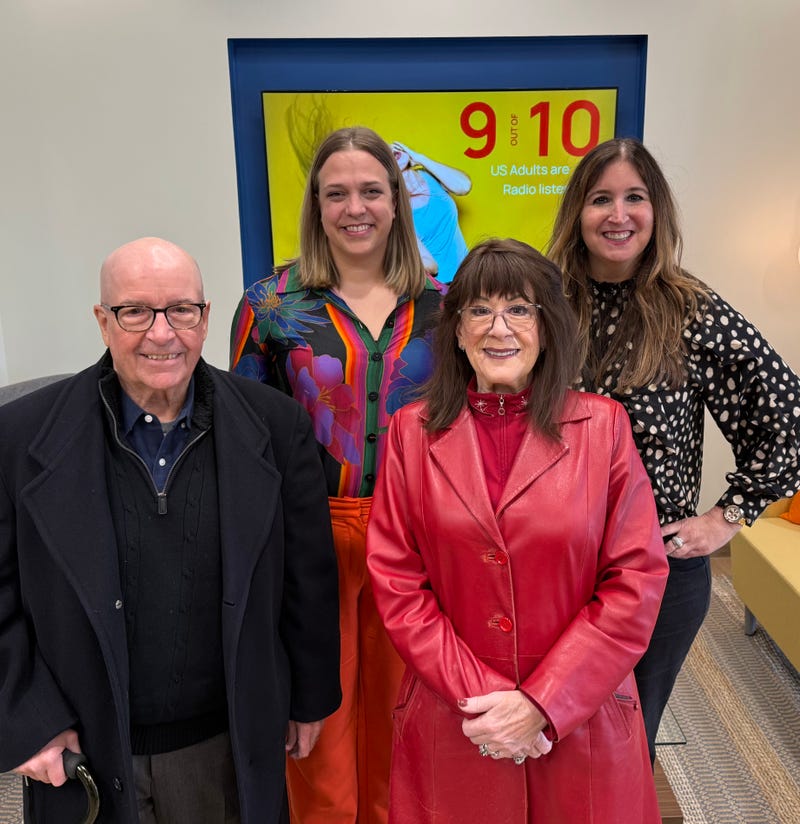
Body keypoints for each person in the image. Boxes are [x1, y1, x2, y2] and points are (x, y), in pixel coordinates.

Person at [0, 237, 341, 824]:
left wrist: (307, 698)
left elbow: (307, 580)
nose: (162, 334)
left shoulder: (276, 426)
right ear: (103, 322)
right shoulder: (19, 436)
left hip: (225, 748)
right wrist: (26, 719)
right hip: (82, 752)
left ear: (205, 319)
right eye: (135, 311)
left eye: (181, 310)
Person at [365, 238, 669, 823]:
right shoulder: (409, 433)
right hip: (459, 716)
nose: (498, 327)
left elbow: (635, 580)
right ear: (457, 331)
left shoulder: (604, 427)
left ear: (547, 328)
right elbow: (398, 584)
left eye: (519, 309)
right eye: (479, 309)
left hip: (580, 719)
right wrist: (489, 703)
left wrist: (542, 703)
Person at [547, 137, 800, 764]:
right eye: (600, 199)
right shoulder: (544, 303)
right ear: (577, 211)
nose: (618, 214)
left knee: (625, 745)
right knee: (547, 736)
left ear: (656, 210)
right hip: (549, 565)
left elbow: (787, 417)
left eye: (635, 197)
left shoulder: (690, 309)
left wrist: (726, 518)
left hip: (654, 572)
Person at [229, 126, 443, 824]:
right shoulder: (269, 304)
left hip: (416, 539)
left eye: (372, 190)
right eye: (337, 193)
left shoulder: (445, 305)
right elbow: (242, 439)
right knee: (317, 718)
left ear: (397, 201)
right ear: (316, 205)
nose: (356, 207)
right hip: (309, 537)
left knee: (404, 715)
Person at [391, 140, 471, 283]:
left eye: (393, 148)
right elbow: (430, 266)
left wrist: (419, 158)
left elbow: (464, 186)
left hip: (470, 274)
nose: (391, 150)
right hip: (443, 286)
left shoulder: (430, 177)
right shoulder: (398, 212)